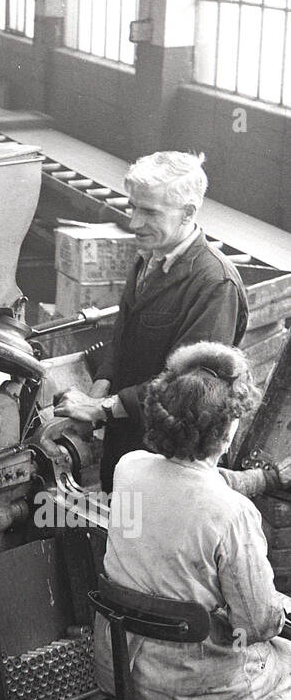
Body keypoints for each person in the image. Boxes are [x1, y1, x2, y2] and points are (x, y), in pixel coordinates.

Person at [95, 342, 291, 700]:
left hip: (122, 669)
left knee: (248, 652)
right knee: (281, 658)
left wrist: (260, 479)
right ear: (225, 432)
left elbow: (191, 482)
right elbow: (259, 622)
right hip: (188, 684)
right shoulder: (232, 515)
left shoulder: (129, 468)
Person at [56, 151, 248, 493]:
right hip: (125, 443)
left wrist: (101, 410)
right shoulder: (150, 257)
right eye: (133, 207)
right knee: (119, 527)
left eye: (149, 212)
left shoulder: (215, 284)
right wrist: (98, 389)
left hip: (171, 461)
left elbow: (189, 390)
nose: (133, 223)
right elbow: (123, 336)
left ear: (188, 212)